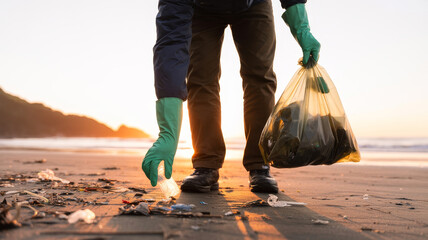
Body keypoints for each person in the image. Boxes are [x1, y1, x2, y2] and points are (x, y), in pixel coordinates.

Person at [142, 0, 320, 193]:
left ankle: (259, 164)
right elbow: (171, 45)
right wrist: (168, 131)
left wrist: (302, 28)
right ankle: (206, 163)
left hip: (254, 4)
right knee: (201, 78)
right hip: (201, 10)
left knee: (260, 76)